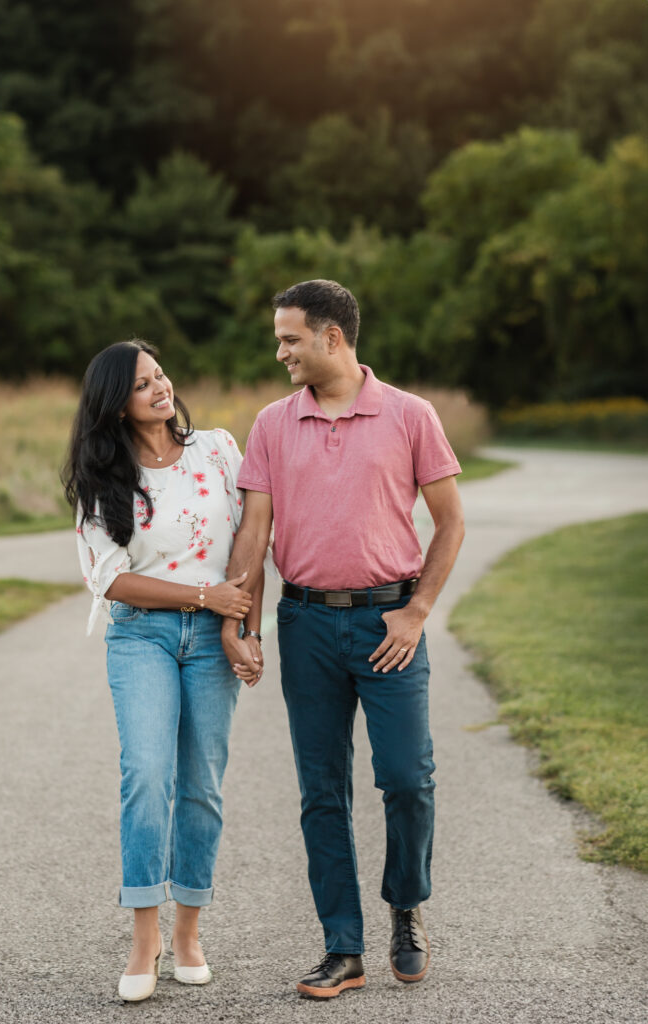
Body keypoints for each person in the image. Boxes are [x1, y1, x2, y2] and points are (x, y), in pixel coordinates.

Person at [222, 280, 465, 999]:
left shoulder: (411, 415)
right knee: (321, 792)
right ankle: (342, 948)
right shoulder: (271, 423)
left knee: (406, 780)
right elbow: (255, 533)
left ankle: (406, 908)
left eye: (290, 338)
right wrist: (243, 625)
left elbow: (450, 523)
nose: (280, 351)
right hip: (306, 625)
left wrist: (417, 611)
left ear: (333, 338)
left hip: (390, 623)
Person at [63, 340, 264, 1003]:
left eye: (161, 375)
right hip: (142, 638)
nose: (160, 388)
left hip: (214, 640)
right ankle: (144, 940)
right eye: (142, 384)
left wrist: (242, 629)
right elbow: (111, 580)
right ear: (114, 404)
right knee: (147, 774)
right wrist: (203, 599)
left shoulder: (217, 450)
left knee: (202, 783)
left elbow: (248, 546)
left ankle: (189, 937)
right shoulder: (103, 477)